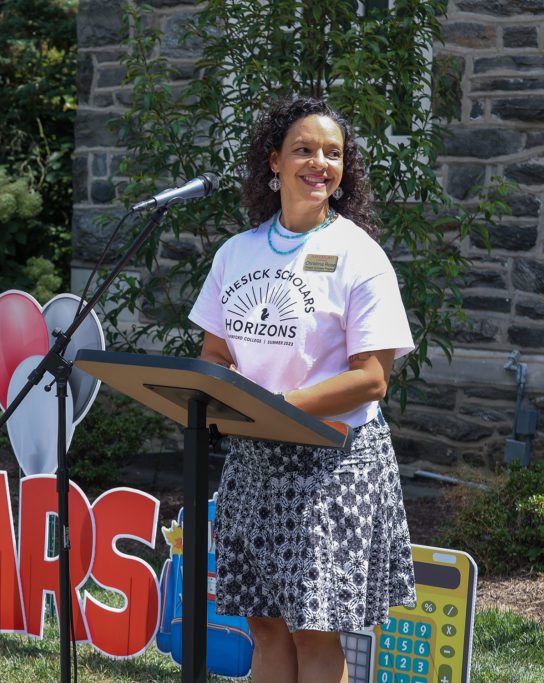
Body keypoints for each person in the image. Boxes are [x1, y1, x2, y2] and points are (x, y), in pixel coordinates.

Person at [189, 97, 417, 683]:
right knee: (265, 625)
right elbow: (214, 355)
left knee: (314, 629)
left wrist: (273, 407)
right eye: (304, 150)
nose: (320, 162)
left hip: (332, 463)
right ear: (274, 161)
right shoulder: (235, 253)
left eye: (333, 153)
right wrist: (234, 398)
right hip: (254, 459)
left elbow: (372, 377)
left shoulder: (360, 256)